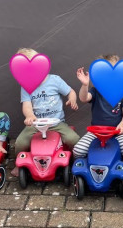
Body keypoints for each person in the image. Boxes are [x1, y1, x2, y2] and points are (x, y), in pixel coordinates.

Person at [12, 48, 80, 176]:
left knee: (74, 139)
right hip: (36, 124)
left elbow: (70, 91)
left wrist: (72, 99)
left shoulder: (54, 80)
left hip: (57, 123)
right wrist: (29, 116)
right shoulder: (25, 86)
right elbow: (26, 105)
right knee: (20, 143)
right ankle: (19, 164)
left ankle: (77, 161)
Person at [73, 54, 123, 160]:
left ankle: (122, 164)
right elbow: (84, 98)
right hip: (95, 132)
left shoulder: (122, 92)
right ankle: (88, 164)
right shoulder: (96, 91)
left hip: (117, 132)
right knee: (78, 150)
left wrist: (122, 125)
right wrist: (85, 85)